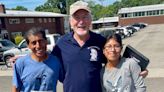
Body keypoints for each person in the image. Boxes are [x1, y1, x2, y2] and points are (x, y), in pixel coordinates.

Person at [52, 1, 148, 92]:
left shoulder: (100, 41)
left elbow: (116, 61)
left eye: (85, 17)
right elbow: (52, 68)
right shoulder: (61, 44)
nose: (81, 22)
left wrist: (137, 69)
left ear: (90, 19)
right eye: (77, 17)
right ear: (70, 21)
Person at [12, 27, 63, 92]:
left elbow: (67, 80)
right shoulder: (20, 63)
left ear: (46, 41)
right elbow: (16, 88)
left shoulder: (56, 62)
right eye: (34, 43)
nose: (38, 46)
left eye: (41, 41)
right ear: (28, 45)